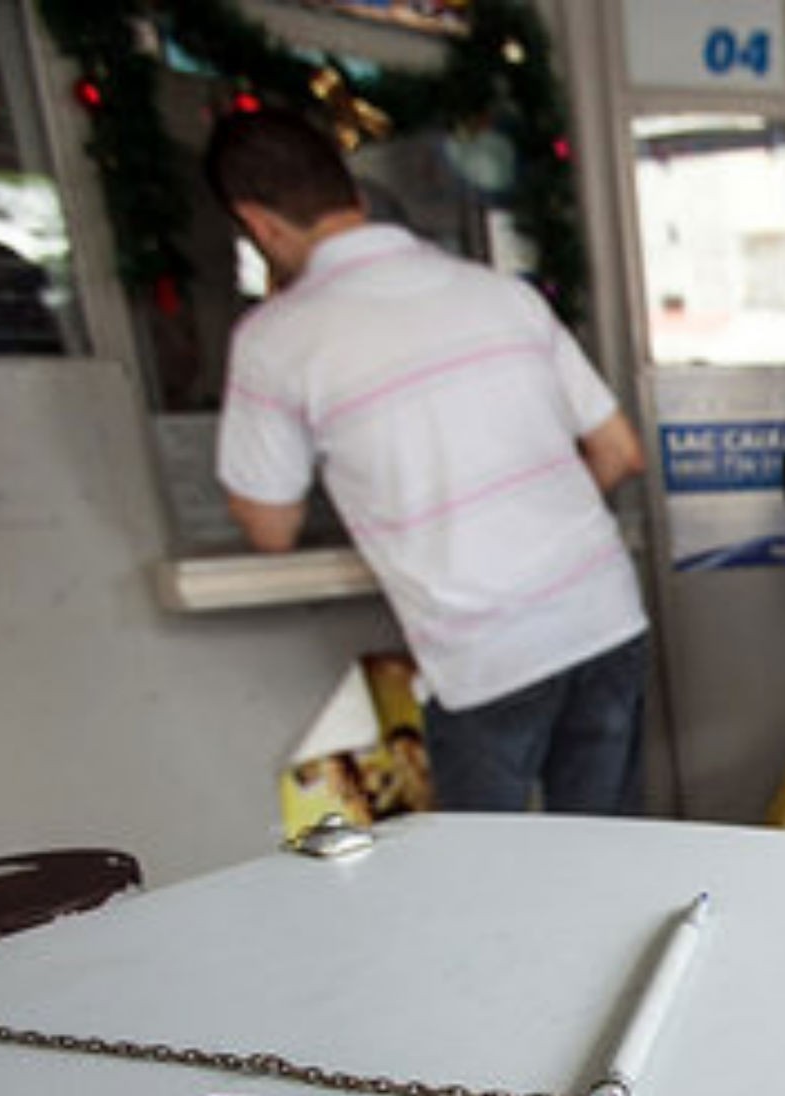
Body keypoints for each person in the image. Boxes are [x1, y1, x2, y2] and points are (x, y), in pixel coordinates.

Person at [206, 106, 651, 815]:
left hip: (484, 650)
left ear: (258, 224)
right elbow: (620, 452)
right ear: (350, 189)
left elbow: (269, 526)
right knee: (613, 853)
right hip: (602, 615)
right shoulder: (501, 294)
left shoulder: (277, 338)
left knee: (480, 868)